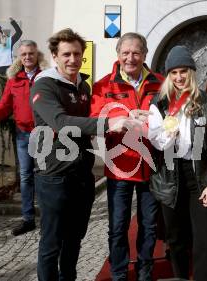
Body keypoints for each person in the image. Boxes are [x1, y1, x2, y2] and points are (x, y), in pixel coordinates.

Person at [30, 28, 134, 281]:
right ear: (55, 56)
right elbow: (61, 122)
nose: (72, 59)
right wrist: (108, 124)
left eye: (77, 54)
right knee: (51, 243)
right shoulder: (44, 85)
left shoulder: (83, 85)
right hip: (54, 175)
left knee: (75, 239)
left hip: (81, 174)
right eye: (66, 54)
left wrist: (131, 114)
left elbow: (93, 116)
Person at [90, 32, 164, 281]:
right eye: (125, 53)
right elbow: (93, 121)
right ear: (118, 55)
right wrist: (115, 120)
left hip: (151, 165)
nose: (130, 58)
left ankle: (145, 273)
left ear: (144, 54)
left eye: (136, 53)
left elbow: (174, 117)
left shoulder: (162, 83)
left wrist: (154, 121)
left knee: (149, 226)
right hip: (120, 166)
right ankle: (119, 274)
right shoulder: (103, 86)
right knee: (118, 226)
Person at [148, 45, 207, 281]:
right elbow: (156, 142)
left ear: (192, 72)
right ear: (168, 75)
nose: (179, 77)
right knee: (175, 238)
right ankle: (180, 277)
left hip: (199, 175)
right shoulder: (159, 102)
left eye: (184, 71)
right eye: (174, 72)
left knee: (203, 238)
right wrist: (170, 133)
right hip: (170, 175)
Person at [0, 39, 48, 236]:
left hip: (43, 134)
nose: (28, 57)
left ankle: (47, 219)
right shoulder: (14, 80)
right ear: (19, 58)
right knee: (25, 176)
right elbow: (5, 104)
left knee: (44, 176)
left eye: (31, 53)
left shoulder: (46, 77)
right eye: (24, 54)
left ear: (37, 55)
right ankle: (28, 219)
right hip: (22, 133)